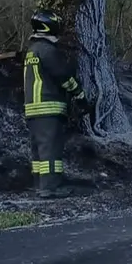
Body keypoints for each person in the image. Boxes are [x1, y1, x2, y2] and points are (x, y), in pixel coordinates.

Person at [23, 10, 91, 198]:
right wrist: (79, 95)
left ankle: (40, 183)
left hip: (33, 109)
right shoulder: (47, 50)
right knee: (50, 149)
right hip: (48, 107)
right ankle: (51, 187)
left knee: (39, 150)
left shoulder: (33, 50)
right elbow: (63, 76)